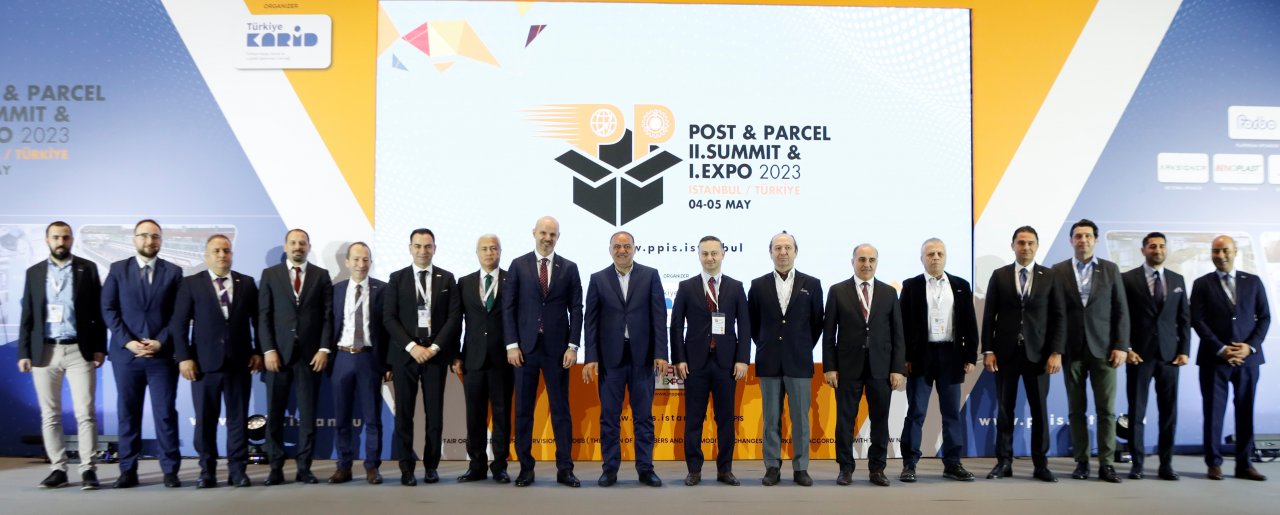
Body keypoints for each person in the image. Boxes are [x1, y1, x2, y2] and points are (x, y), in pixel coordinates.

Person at [17, 221, 107, 489]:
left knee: (85, 412)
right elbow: (27, 315)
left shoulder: (87, 268)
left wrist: (100, 347)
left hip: (79, 350)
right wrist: (24, 352)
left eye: (65, 237)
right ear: (47, 240)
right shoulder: (34, 272)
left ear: (72, 240)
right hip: (44, 351)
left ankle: (88, 469)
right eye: (56, 237)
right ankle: (58, 469)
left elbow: (98, 312)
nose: (61, 242)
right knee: (50, 414)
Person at [172, 234, 262, 488]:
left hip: (239, 363)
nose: (222, 255)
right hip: (203, 365)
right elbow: (178, 324)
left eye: (226, 250)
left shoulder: (246, 283)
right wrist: (184, 358)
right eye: (217, 251)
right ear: (206, 255)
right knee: (205, 422)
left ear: (231, 254)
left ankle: (238, 471)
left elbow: (258, 321)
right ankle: (207, 471)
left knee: (238, 420)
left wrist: (258, 351)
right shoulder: (191, 283)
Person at [101, 219, 183, 488]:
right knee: (128, 413)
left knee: (165, 413)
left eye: (155, 236)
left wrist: (160, 342)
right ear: (134, 239)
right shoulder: (117, 269)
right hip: (127, 356)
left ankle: (170, 470)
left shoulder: (174, 272)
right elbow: (108, 309)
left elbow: (178, 314)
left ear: (161, 240)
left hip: (162, 356)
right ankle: (128, 470)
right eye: (144, 236)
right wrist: (128, 342)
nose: (150, 241)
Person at [503, 216, 584, 488]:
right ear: (534, 233)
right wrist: (511, 345)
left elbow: (577, 310)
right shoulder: (518, 265)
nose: (547, 238)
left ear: (558, 237)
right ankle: (526, 468)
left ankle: (565, 469)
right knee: (523, 412)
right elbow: (508, 308)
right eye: (543, 233)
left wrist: (573, 346)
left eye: (552, 234)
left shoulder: (569, 268)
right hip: (524, 351)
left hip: (558, 352)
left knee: (561, 411)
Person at [583, 231, 668, 487]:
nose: (622, 250)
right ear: (610, 249)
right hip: (610, 360)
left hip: (642, 358)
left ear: (634, 248)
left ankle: (646, 469)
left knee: (643, 417)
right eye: (617, 246)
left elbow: (659, 317)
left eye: (627, 246)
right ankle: (609, 469)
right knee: (609, 418)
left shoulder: (650, 275)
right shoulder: (598, 279)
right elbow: (591, 321)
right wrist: (591, 356)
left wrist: (661, 353)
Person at [982, 226, 1065, 482]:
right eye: (1021, 242)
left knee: (1039, 411)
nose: (1025, 247)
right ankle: (1003, 462)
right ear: (1013, 246)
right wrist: (988, 350)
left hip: (1038, 355)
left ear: (1037, 246)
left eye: (1030, 243)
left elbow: (1059, 317)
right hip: (1005, 354)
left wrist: (1056, 352)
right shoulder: (999, 275)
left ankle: (1041, 465)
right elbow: (989, 315)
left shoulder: (1050, 276)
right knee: (1005, 410)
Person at [1051, 219, 1129, 483]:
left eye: (1087, 236)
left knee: (1106, 410)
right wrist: (1056, 349)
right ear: (1071, 240)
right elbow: (1055, 313)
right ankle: (1082, 461)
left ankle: (1107, 464)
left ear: (1095, 240)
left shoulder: (1110, 269)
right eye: (1078, 236)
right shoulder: (1058, 270)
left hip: (1104, 351)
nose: (1082, 240)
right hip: (1071, 350)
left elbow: (1121, 310)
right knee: (1076, 410)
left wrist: (1121, 346)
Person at [383, 228, 462, 486]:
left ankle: (431, 467)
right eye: (417, 246)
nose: (422, 251)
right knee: (404, 415)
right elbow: (389, 318)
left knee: (434, 415)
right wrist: (411, 347)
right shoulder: (397, 278)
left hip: (435, 356)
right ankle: (406, 468)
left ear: (434, 249)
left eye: (428, 246)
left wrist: (435, 348)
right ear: (410, 248)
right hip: (405, 356)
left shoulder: (447, 279)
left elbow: (454, 318)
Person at [670, 236, 750, 486]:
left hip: (727, 364)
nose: (710, 258)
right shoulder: (686, 287)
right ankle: (694, 470)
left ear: (723, 254)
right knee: (694, 419)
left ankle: (725, 470)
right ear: (699, 256)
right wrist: (679, 359)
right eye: (705, 253)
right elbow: (676, 326)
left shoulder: (736, 287)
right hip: (695, 365)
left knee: (725, 420)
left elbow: (744, 326)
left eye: (714, 253)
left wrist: (742, 359)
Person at [823, 243, 905, 487]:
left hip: (881, 368)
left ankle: (877, 469)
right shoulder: (837, 291)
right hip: (847, 368)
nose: (866, 264)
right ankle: (845, 469)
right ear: (853, 262)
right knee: (845, 421)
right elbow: (829, 334)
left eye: (871, 260)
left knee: (880, 421)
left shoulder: (889, 293)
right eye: (861, 259)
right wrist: (830, 367)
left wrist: (897, 368)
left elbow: (898, 334)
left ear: (876, 263)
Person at [897, 238, 979, 482]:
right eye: (930, 254)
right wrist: (904, 358)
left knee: (952, 413)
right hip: (920, 357)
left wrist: (970, 355)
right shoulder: (911, 286)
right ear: (922, 258)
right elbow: (901, 325)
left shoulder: (961, 285)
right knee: (916, 412)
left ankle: (953, 464)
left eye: (939, 254)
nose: (935, 258)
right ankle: (909, 464)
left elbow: (970, 323)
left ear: (945, 257)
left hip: (951, 357)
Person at [747, 231, 823, 487]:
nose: (783, 252)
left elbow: (816, 323)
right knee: (771, 418)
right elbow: (753, 324)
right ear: (770, 252)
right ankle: (772, 467)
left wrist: (800, 346)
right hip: (768, 360)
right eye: (778, 248)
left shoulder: (812, 284)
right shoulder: (757, 285)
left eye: (787, 248)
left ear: (795, 252)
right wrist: (767, 345)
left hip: (799, 361)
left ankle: (801, 468)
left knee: (800, 419)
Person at [258, 228, 333, 485]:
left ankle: (304, 468)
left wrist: (324, 349)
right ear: (285, 246)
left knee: (308, 417)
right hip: (277, 357)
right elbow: (263, 316)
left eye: (302, 243)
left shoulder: (321, 276)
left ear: (308, 247)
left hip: (309, 358)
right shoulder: (270, 275)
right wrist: (268, 350)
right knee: (274, 415)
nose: (298, 246)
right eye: (293, 242)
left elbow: (327, 317)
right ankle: (275, 468)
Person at [1190, 234, 1269, 481]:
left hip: (1248, 360)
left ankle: (1244, 464)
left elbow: (1264, 317)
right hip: (1214, 360)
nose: (1220, 255)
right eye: (1216, 251)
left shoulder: (1253, 281)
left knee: (1245, 411)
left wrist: (1249, 347)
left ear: (1235, 252)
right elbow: (1197, 320)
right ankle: (1213, 463)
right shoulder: (1202, 283)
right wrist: (1221, 349)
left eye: (1225, 250)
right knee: (1213, 412)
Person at [1120, 232, 1189, 480]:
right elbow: (1122, 317)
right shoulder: (1128, 279)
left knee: (1169, 413)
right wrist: (1127, 348)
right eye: (1152, 246)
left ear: (1166, 250)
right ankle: (1137, 464)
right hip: (1139, 356)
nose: (1157, 250)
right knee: (1136, 412)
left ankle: (1166, 465)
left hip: (1170, 357)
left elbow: (1184, 319)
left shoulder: (1177, 279)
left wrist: (1184, 350)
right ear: (1143, 250)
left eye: (1161, 246)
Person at [453, 234, 515, 483]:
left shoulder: (512, 280)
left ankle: (500, 466)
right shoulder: (464, 282)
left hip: (504, 360)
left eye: (494, 248)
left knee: (502, 415)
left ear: (500, 251)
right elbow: (456, 322)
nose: (489, 253)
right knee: (474, 415)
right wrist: (456, 355)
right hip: (473, 360)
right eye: (484, 249)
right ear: (477, 253)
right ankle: (476, 465)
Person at [327, 242, 389, 485]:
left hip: (369, 358)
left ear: (371, 262)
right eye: (356, 259)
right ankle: (343, 466)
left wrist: (388, 364)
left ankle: (372, 467)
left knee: (373, 418)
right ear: (347, 262)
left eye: (365, 259)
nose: (361, 264)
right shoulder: (336, 290)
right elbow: (328, 324)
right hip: (341, 357)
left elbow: (388, 329)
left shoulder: (382, 289)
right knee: (341, 417)